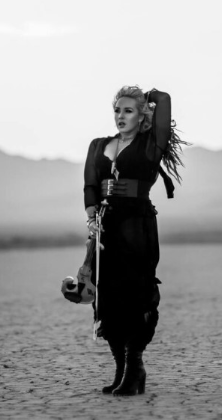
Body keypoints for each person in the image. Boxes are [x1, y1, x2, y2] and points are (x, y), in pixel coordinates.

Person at [83, 86, 187, 396]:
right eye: (117, 110)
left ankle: (134, 368)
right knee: (106, 296)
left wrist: (149, 96)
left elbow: (163, 101)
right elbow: (90, 185)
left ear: (142, 115)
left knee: (136, 295)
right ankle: (121, 369)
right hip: (105, 228)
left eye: (128, 110)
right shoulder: (98, 144)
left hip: (137, 226)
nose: (120, 116)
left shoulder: (151, 144)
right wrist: (91, 217)